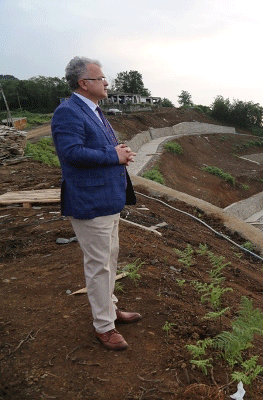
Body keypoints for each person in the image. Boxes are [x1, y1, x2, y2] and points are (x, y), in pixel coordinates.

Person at [52, 56, 141, 351]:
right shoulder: (68, 112)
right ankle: (104, 327)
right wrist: (113, 155)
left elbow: (99, 147)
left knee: (110, 259)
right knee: (99, 265)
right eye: (101, 78)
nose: (106, 83)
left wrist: (120, 151)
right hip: (90, 202)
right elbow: (72, 153)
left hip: (108, 199)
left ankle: (110, 308)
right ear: (84, 83)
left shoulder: (95, 111)